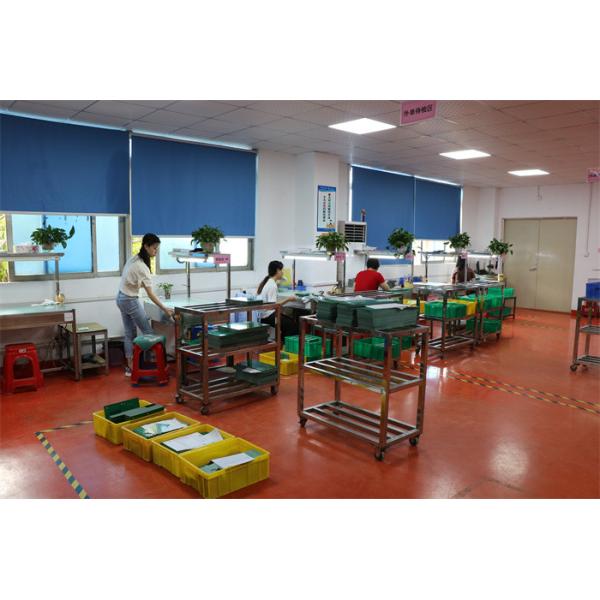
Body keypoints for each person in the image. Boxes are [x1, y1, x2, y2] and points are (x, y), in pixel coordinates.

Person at [116, 233, 174, 376]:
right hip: (130, 300)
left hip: (121, 298)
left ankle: (131, 367)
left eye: (157, 248)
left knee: (129, 333)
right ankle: (156, 365)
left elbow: (130, 280)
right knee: (149, 333)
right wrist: (165, 309)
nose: (156, 251)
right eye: (154, 248)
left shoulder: (134, 259)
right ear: (146, 246)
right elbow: (150, 294)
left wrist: (141, 286)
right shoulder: (142, 267)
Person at [257, 260, 299, 339]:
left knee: (289, 321)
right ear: (277, 270)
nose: (282, 272)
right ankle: (283, 344)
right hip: (268, 316)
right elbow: (273, 306)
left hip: (264, 315)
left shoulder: (268, 281)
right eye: (281, 270)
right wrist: (288, 299)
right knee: (292, 325)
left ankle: (281, 342)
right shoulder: (272, 285)